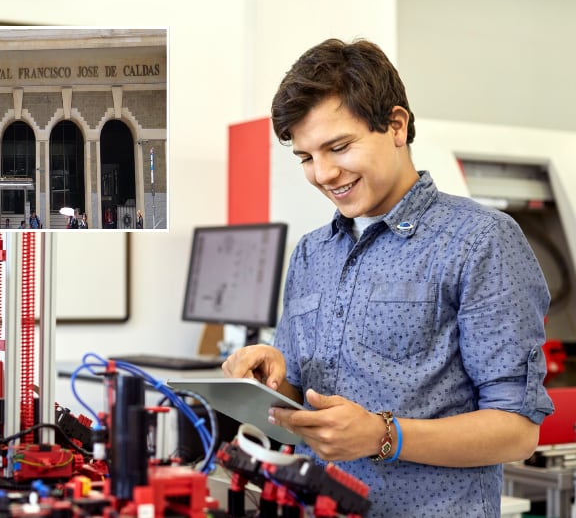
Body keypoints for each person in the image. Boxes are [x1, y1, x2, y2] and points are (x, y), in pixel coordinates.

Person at [221, 38, 553, 517]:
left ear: (396, 126)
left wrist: (383, 436)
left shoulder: (481, 241)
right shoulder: (312, 252)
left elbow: (518, 431)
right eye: (306, 158)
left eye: (339, 147)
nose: (323, 173)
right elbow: (304, 405)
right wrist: (271, 384)